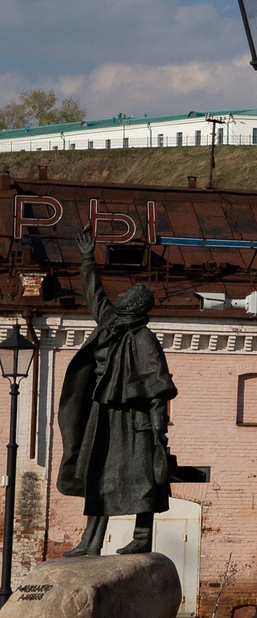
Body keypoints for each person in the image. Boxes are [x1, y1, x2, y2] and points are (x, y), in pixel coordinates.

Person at [57, 229, 176, 556]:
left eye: (127, 295)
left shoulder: (142, 338)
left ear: (135, 305)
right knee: (97, 475)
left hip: (133, 418)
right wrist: (86, 257)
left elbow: (158, 381)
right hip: (103, 411)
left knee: (143, 478)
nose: (119, 296)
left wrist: (158, 426)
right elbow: (94, 294)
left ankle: (142, 537)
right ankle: (91, 542)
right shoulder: (110, 323)